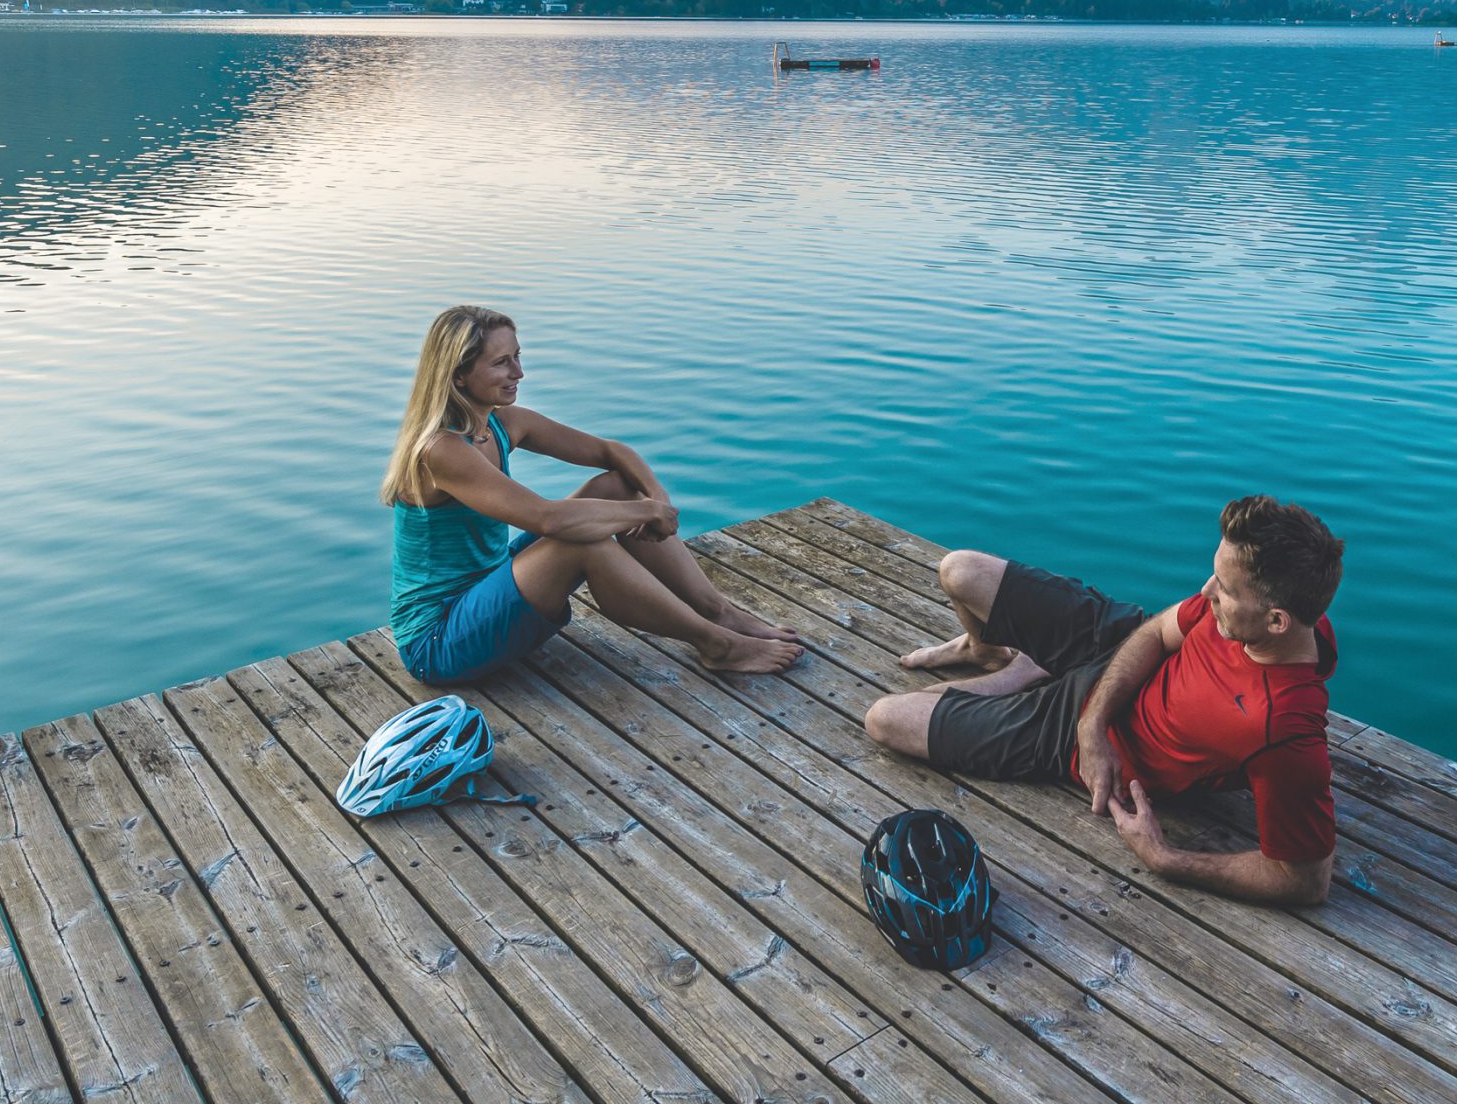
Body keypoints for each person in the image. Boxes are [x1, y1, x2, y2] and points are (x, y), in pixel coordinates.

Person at [861, 496, 1342, 906]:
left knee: (885, 718)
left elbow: (1305, 879)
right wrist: (1092, 724)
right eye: (1214, 575)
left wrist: (1165, 858)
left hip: (1065, 737)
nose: (1206, 591)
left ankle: (1023, 674)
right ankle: (991, 654)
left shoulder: (1282, 733)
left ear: (1277, 621)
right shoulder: (1265, 618)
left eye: (1225, 589)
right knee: (959, 569)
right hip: (1115, 653)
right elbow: (1156, 629)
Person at [382, 304, 801, 684]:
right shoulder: (441, 449)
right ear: (459, 375)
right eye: (501, 363)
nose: (519, 373)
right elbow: (549, 520)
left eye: (518, 356)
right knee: (580, 543)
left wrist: (654, 499)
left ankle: (718, 611)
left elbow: (611, 452)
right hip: (438, 639)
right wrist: (646, 512)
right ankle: (717, 644)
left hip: (490, 584)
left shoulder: (500, 422)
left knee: (618, 485)